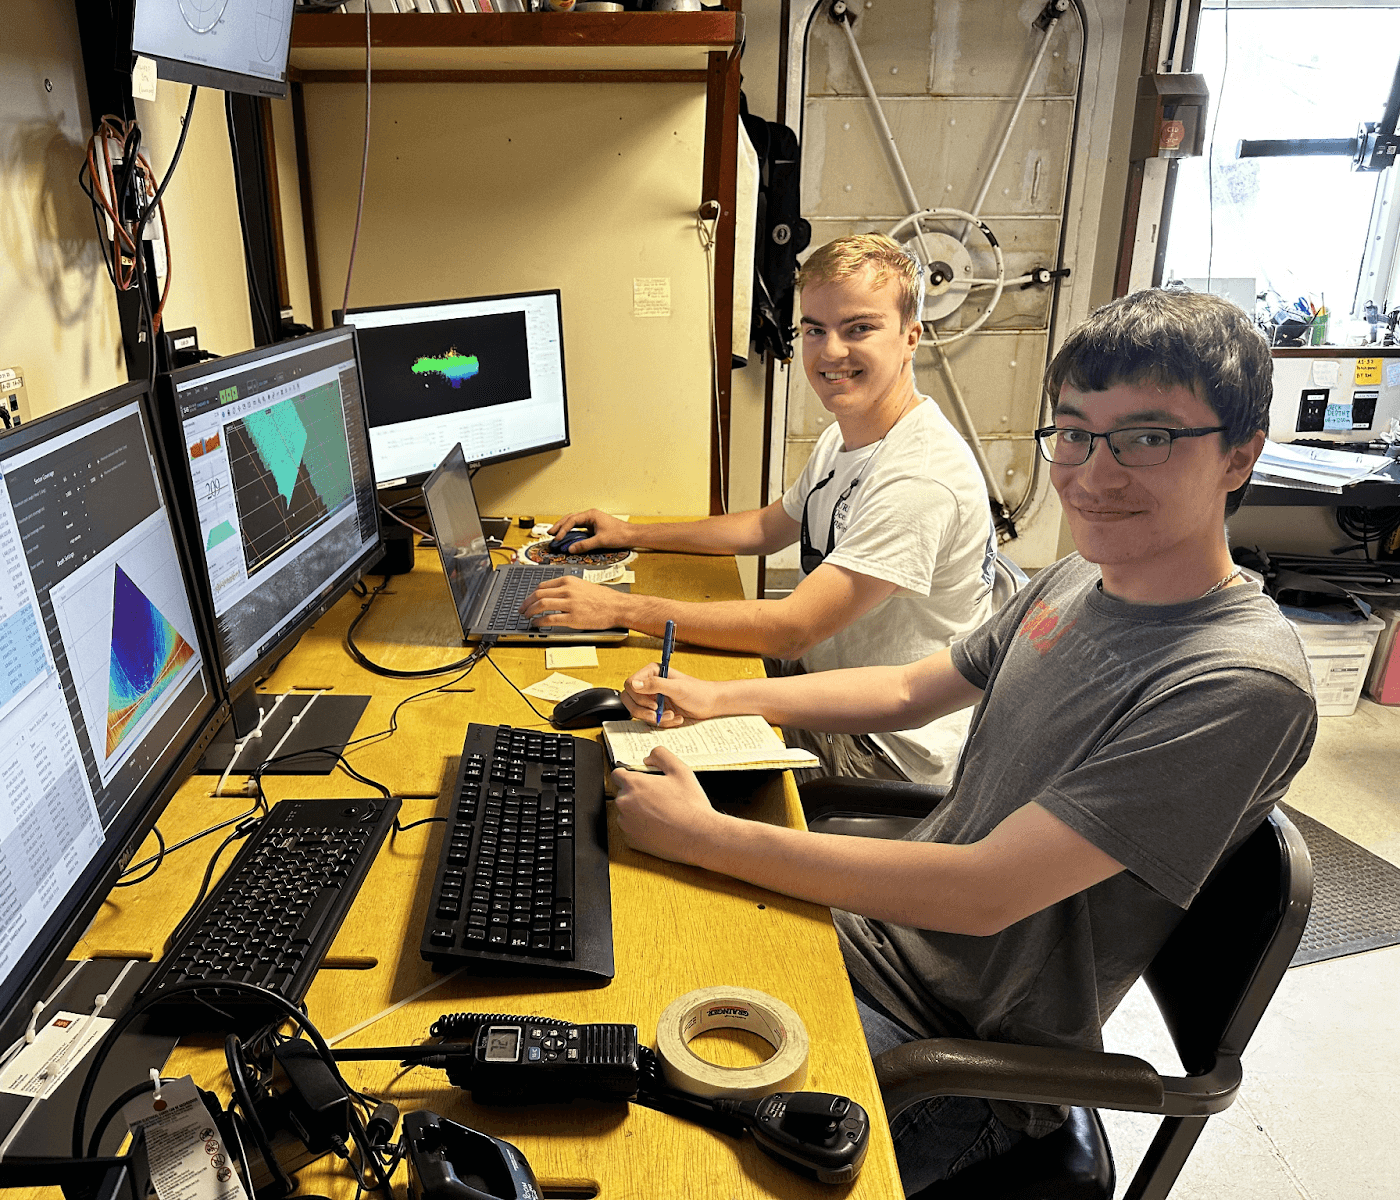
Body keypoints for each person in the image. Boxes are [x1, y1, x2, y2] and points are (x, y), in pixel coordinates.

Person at [609, 288, 1317, 1194]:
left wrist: (706, 835)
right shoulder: (1078, 580)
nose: (1094, 476)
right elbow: (913, 686)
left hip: (952, 1056)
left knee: (652, 1169)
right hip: (878, 946)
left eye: (1148, 438)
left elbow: (985, 895)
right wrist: (717, 696)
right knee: (615, 969)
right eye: (1075, 433)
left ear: (1240, 455)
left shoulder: (1236, 683)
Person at [522, 234, 997, 785]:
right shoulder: (853, 436)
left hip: (877, 748)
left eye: (859, 328)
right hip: (821, 683)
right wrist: (631, 532)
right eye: (815, 329)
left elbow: (790, 630)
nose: (831, 351)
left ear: (910, 337)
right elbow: (769, 526)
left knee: (626, 775)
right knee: (638, 700)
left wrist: (620, 610)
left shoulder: (919, 476)